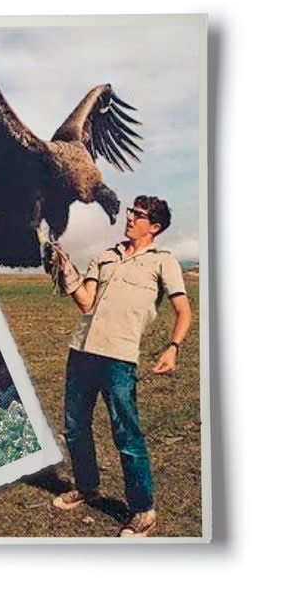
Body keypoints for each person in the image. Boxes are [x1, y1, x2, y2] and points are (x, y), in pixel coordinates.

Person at [48, 195, 192, 537]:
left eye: (138, 215)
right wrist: (67, 272)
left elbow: (183, 310)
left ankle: (143, 511)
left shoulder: (163, 262)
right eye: (130, 211)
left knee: (126, 434)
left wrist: (173, 347)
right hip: (81, 351)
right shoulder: (105, 256)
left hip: (120, 357)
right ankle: (86, 487)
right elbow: (86, 304)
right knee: (75, 427)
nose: (129, 217)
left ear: (154, 226)